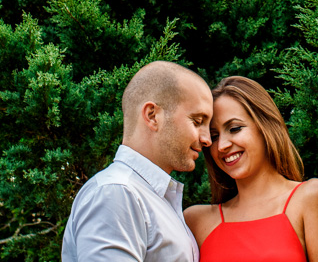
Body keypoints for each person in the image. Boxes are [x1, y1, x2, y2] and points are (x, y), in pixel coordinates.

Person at [184, 76, 318, 262]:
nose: (221, 145)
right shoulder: (195, 221)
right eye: (214, 136)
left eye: (235, 128)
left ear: (265, 127)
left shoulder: (311, 198)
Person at [62, 60, 214, 262]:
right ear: (152, 116)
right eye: (197, 121)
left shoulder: (149, 197)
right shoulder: (117, 193)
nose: (207, 139)